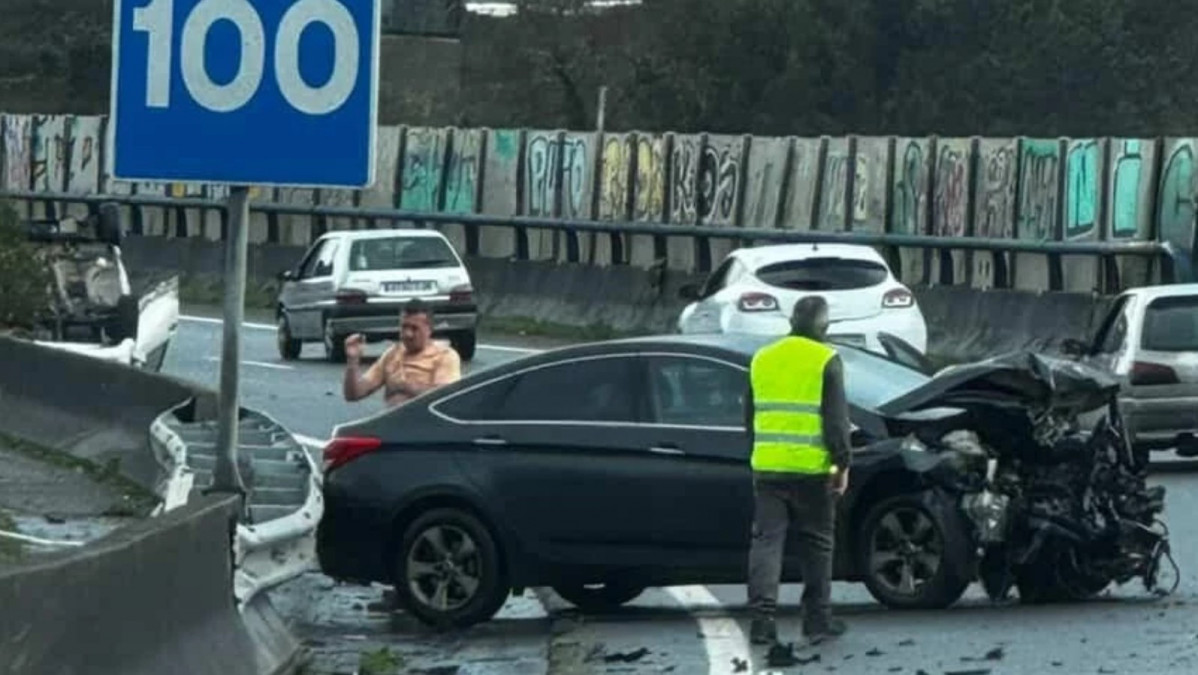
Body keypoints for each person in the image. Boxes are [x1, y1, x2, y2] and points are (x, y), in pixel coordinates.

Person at [744, 295, 851, 651]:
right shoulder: (826, 360)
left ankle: (761, 623)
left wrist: (758, 456)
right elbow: (837, 425)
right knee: (818, 543)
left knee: (766, 544)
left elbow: (750, 417)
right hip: (811, 470)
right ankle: (817, 621)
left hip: (768, 468)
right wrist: (841, 466)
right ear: (823, 327)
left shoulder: (761, 357)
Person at [342, 298, 462, 408]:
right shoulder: (392, 354)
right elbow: (353, 395)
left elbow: (446, 398)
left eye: (414, 329)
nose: (407, 334)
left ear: (429, 329)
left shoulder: (445, 356)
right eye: (404, 327)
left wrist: (406, 387)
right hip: (390, 425)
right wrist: (352, 361)